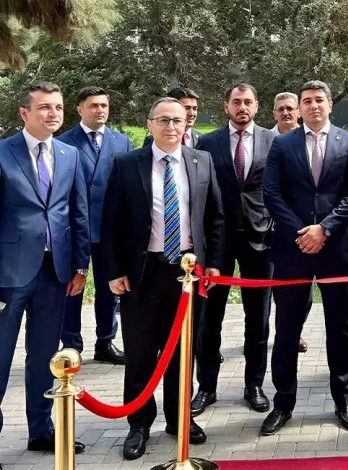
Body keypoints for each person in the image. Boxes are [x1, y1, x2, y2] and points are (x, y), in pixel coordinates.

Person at [102, 97, 225, 461]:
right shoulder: (127, 164)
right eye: (163, 120)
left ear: (187, 124)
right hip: (143, 273)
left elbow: (215, 217)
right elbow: (110, 223)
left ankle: (179, 418)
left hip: (187, 274)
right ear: (150, 123)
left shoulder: (202, 161)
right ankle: (139, 424)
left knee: (182, 352)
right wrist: (113, 271)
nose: (171, 126)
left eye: (178, 120)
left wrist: (214, 264)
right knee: (140, 353)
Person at [261, 80, 348, 436]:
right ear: (300, 107)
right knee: (287, 328)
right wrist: (302, 232)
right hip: (293, 250)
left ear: (330, 104)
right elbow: (272, 193)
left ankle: (345, 401)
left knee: (341, 327)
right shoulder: (282, 144)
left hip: (338, 249)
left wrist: (325, 229)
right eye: (306, 101)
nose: (313, 106)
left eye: (319, 100)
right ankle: (283, 403)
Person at [0, 82, 90, 458]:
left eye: (58, 107)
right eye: (44, 107)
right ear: (25, 113)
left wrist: (81, 266)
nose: (53, 114)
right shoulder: (3, 153)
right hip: (8, 275)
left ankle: (41, 430)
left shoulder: (70, 154)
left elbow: (78, 212)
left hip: (55, 273)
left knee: (44, 356)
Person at [191, 84, 277, 417]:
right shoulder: (207, 143)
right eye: (236, 102)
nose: (242, 107)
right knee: (209, 318)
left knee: (258, 317)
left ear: (257, 106)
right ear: (226, 106)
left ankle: (254, 385)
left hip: (261, 239)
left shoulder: (273, 141)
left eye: (248, 102)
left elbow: (279, 188)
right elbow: (199, 192)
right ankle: (206, 387)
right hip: (218, 241)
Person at [59, 86, 133, 365]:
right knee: (73, 287)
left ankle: (105, 341)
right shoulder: (64, 142)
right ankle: (71, 345)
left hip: (109, 228)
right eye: (93, 105)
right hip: (74, 227)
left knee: (108, 287)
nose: (100, 110)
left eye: (104, 105)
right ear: (80, 109)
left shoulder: (121, 141)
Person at [269, 91, 309, 354]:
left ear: (298, 112)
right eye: (281, 109)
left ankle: (296, 331)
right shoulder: (265, 140)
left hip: (304, 229)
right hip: (268, 227)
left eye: (290, 108)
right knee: (276, 288)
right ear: (274, 113)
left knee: (305, 292)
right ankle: (280, 333)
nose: (286, 113)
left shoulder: (308, 139)